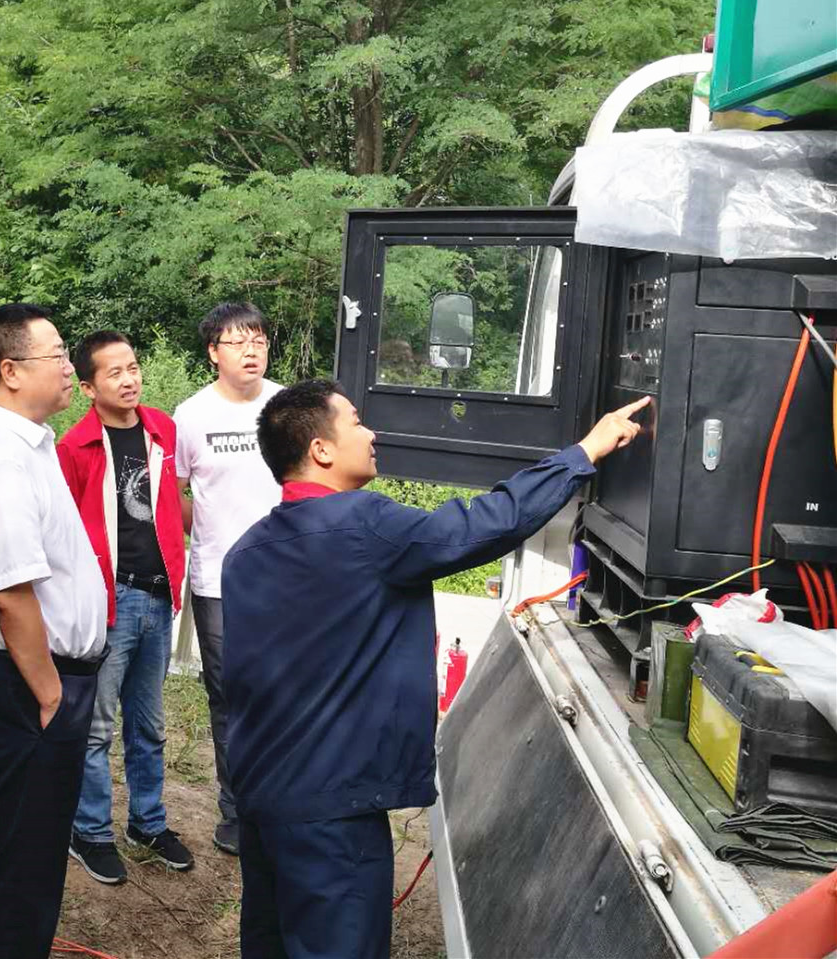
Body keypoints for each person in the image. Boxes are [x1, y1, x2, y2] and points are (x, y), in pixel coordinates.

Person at [222, 379, 650, 959]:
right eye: (356, 422)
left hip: (262, 799)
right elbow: (485, 524)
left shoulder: (245, 554)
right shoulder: (365, 526)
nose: (371, 433)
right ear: (321, 449)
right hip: (334, 813)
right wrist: (584, 453)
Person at [0, 303, 108, 958]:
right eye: (58, 354)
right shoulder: (1, 461)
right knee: (24, 860)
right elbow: (12, 595)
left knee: (33, 852)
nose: (70, 367)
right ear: (10, 371)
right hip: (28, 684)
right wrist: (49, 694)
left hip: (42, 679)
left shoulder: (28, 444)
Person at [57, 331, 193, 885]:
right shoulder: (76, 448)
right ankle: (89, 830)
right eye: (113, 372)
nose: (128, 379)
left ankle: (147, 821)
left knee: (149, 722)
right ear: (88, 387)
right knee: (97, 726)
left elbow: (174, 504)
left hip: (158, 596)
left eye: (132, 367)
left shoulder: (162, 429)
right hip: (110, 599)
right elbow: (66, 531)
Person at [172, 301, 284, 855]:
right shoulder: (191, 415)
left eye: (258, 340)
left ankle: (283, 804)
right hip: (218, 579)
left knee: (287, 691)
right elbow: (175, 490)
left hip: (287, 579)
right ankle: (236, 812)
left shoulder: (287, 406)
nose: (251, 351)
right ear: (214, 352)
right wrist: (209, 529)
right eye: (238, 342)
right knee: (230, 697)